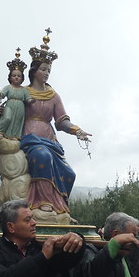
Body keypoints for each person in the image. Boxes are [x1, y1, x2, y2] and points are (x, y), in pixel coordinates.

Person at [18, 29, 91, 221]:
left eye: (49, 70)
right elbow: (12, 111)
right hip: (29, 138)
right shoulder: (23, 92)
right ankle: (42, 203)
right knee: (42, 155)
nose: (46, 73)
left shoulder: (53, 95)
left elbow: (61, 121)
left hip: (50, 139)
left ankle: (61, 209)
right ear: (34, 71)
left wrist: (77, 131)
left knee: (69, 173)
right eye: (43, 69)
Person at [0, 48, 33, 139]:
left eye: (18, 76)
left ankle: (15, 136)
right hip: (10, 105)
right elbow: (1, 96)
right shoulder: (8, 87)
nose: (16, 77)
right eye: (14, 75)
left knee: (17, 121)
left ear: (22, 79)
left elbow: (28, 99)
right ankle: (0, 131)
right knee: (7, 118)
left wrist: (32, 101)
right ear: (10, 78)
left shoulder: (24, 90)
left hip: (20, 107)